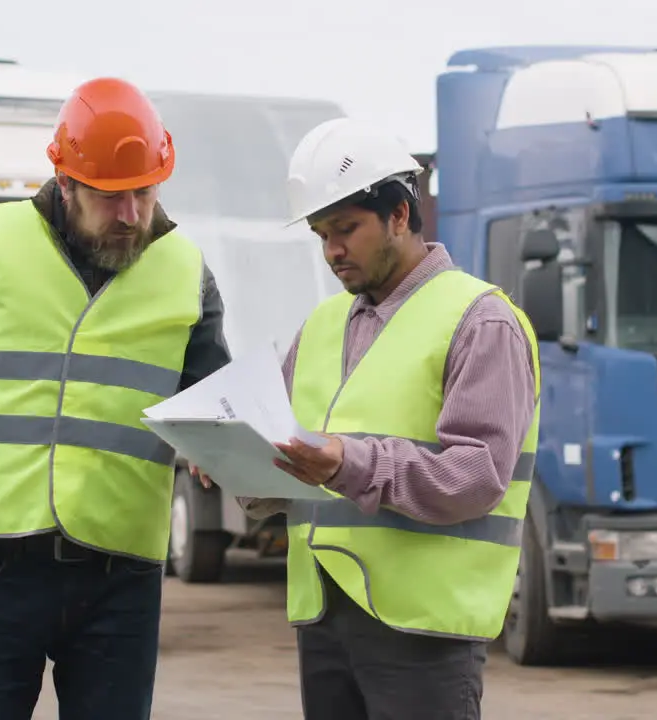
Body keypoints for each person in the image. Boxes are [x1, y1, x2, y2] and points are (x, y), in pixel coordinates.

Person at [0, 77, 231, 720]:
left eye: (144, 194)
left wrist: (229, 447)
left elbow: (221, 409)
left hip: (121, 582)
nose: (130, 216)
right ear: (65, 184)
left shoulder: (187, 273)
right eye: (109, 198)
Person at [224, 117, 541, 720]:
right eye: (320, 235)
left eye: (346, 229)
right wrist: (233, 463)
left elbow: (476, 476)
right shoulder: (319, 329)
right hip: (325, 613)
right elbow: (288, 457)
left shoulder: (479, 321)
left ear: (400, 213)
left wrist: (350, 462)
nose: (332, 251)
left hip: (423, 627)